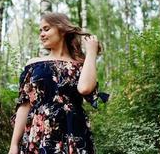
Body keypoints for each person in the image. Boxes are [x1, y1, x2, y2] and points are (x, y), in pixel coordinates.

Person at [8, 12, 109, 154]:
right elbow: (24, 105)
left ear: (62, 30)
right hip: (40, 135)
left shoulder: (81, 65)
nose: (41, 34)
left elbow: (85, 88)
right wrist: (14, 145)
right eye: (40, 30)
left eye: (46, 29)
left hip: (74, 133)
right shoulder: (33, 65)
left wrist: (91, 52)